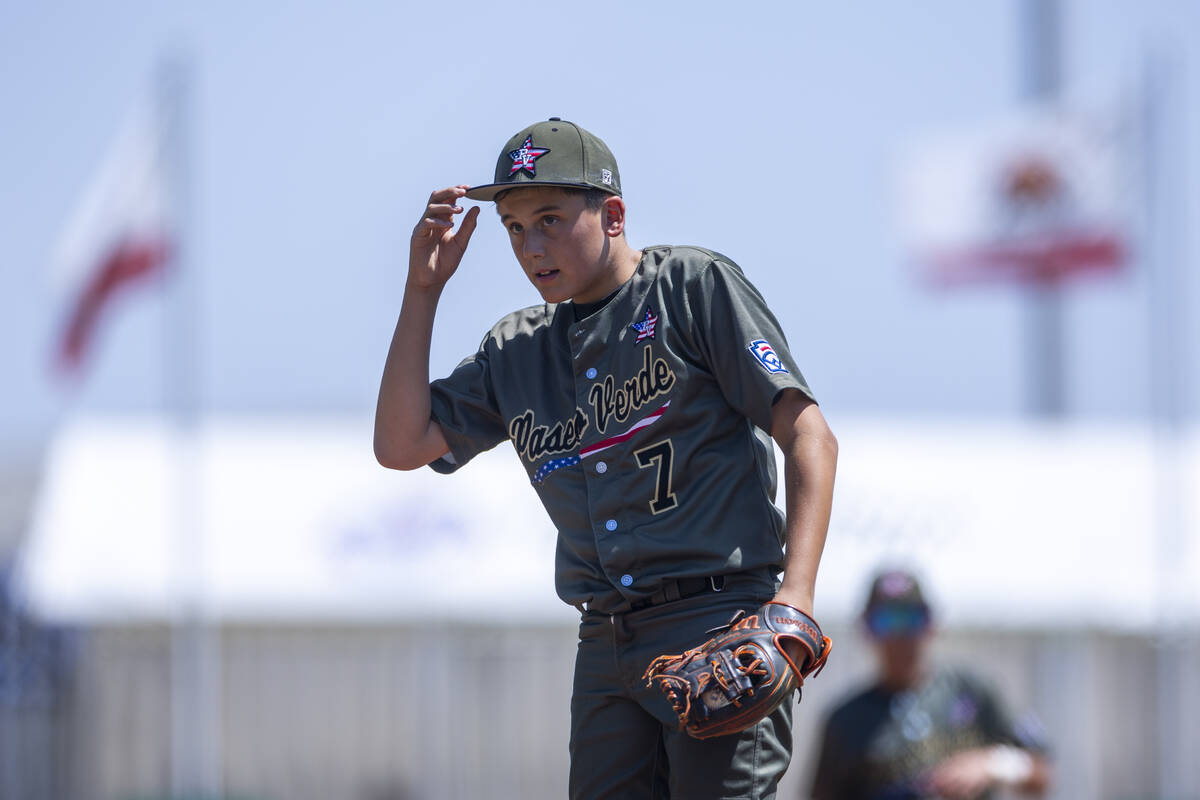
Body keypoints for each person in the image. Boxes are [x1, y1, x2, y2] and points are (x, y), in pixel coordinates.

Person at [374, 118, 838, 800]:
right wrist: (423, 291)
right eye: (513, 227)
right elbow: (399, 445)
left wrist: (793, 601)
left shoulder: (689, 285)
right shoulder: (517, 349)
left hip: (717, 617)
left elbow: (809, 436)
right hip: (606, 642)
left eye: (551, 219)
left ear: (613, 214)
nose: (532, 246)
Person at [809, 569, 1052, 800]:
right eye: (886, 621)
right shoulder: (844, 720)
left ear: (931, 623)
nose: (900, 635)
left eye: (912, 618)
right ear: (866, 628)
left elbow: (1041, 771)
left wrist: (991, 764)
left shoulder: (971, 690)